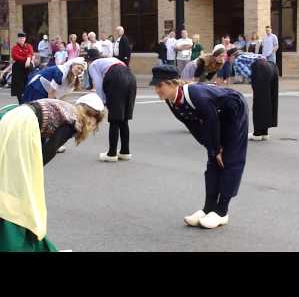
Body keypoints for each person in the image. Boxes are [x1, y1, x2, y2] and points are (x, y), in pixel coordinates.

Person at [0, 93, 106, 252]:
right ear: (89, 115)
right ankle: (18, 239)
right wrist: (31, 172)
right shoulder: (72, 121)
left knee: (1, 180)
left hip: (9, 118)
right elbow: (48, 151)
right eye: (95, 120)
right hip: (21, 127)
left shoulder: (67, 109)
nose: (93, 126)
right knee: (22, 193)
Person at [150, 65, 249, 229]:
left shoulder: (194, 94)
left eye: (160, 86)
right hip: (216, 116)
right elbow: (194, 126)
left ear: (172, 83)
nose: (157, 90)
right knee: (212, 161)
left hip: (233, 111)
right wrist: (212, 149)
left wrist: (218, 149)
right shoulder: (171, 100)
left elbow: (212, 121)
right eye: (155, 86)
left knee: (230, 160)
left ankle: (222, 211)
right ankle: (208, 208)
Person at [88, 57, 137, 162]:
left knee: (114, 119)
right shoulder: (111, 60)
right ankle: (125, 151)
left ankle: (112, 153)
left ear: (89, 60)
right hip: (130, 77)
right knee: (124, 119)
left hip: (116, 77)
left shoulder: (93, 65)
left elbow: (99, 84)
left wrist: (103, 102)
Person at [228, 48, 279, 141]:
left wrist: (255, 86)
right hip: (272, 67)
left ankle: (257, 134)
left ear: (231, 56)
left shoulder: (237, 60)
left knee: (259, 103)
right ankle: (264, 132)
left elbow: (250, 74)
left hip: (261, 70)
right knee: (269, 101)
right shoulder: (249, 54)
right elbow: (263, 58)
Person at [22, 57, 87, 103]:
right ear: (72, 65)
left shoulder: (74, 78)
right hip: (37, 86)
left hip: (46, 90)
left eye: (82, 70)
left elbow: (63, 95)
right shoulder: (61, 72)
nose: (79, 71)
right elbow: (51, 92)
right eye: (78, 68)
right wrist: (52, 106)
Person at [11, 32, 34, 104]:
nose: (22, 39)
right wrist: (26, 58)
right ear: (18, 39)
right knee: (19, 86)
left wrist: (29, 58)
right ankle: (20, 102)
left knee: (28, 84)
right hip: (18, 68)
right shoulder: (15, 48)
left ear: (25, 39)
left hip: (27, 68)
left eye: (23, 38)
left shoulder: (28, 46)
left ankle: (28, 101)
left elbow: (31, 53)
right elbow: (15, 56)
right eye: (20, 38)